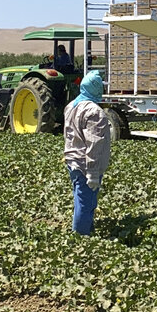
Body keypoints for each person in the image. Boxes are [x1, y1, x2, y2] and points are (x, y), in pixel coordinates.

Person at [64, 70, 111, 235]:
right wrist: (92, 172)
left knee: (80, 198)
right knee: (86, 203)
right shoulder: (94, 112)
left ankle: (85, 230)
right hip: (85, 164)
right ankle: (81, 238)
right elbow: (94, 144)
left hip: (73, 160)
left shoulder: (72, 105)